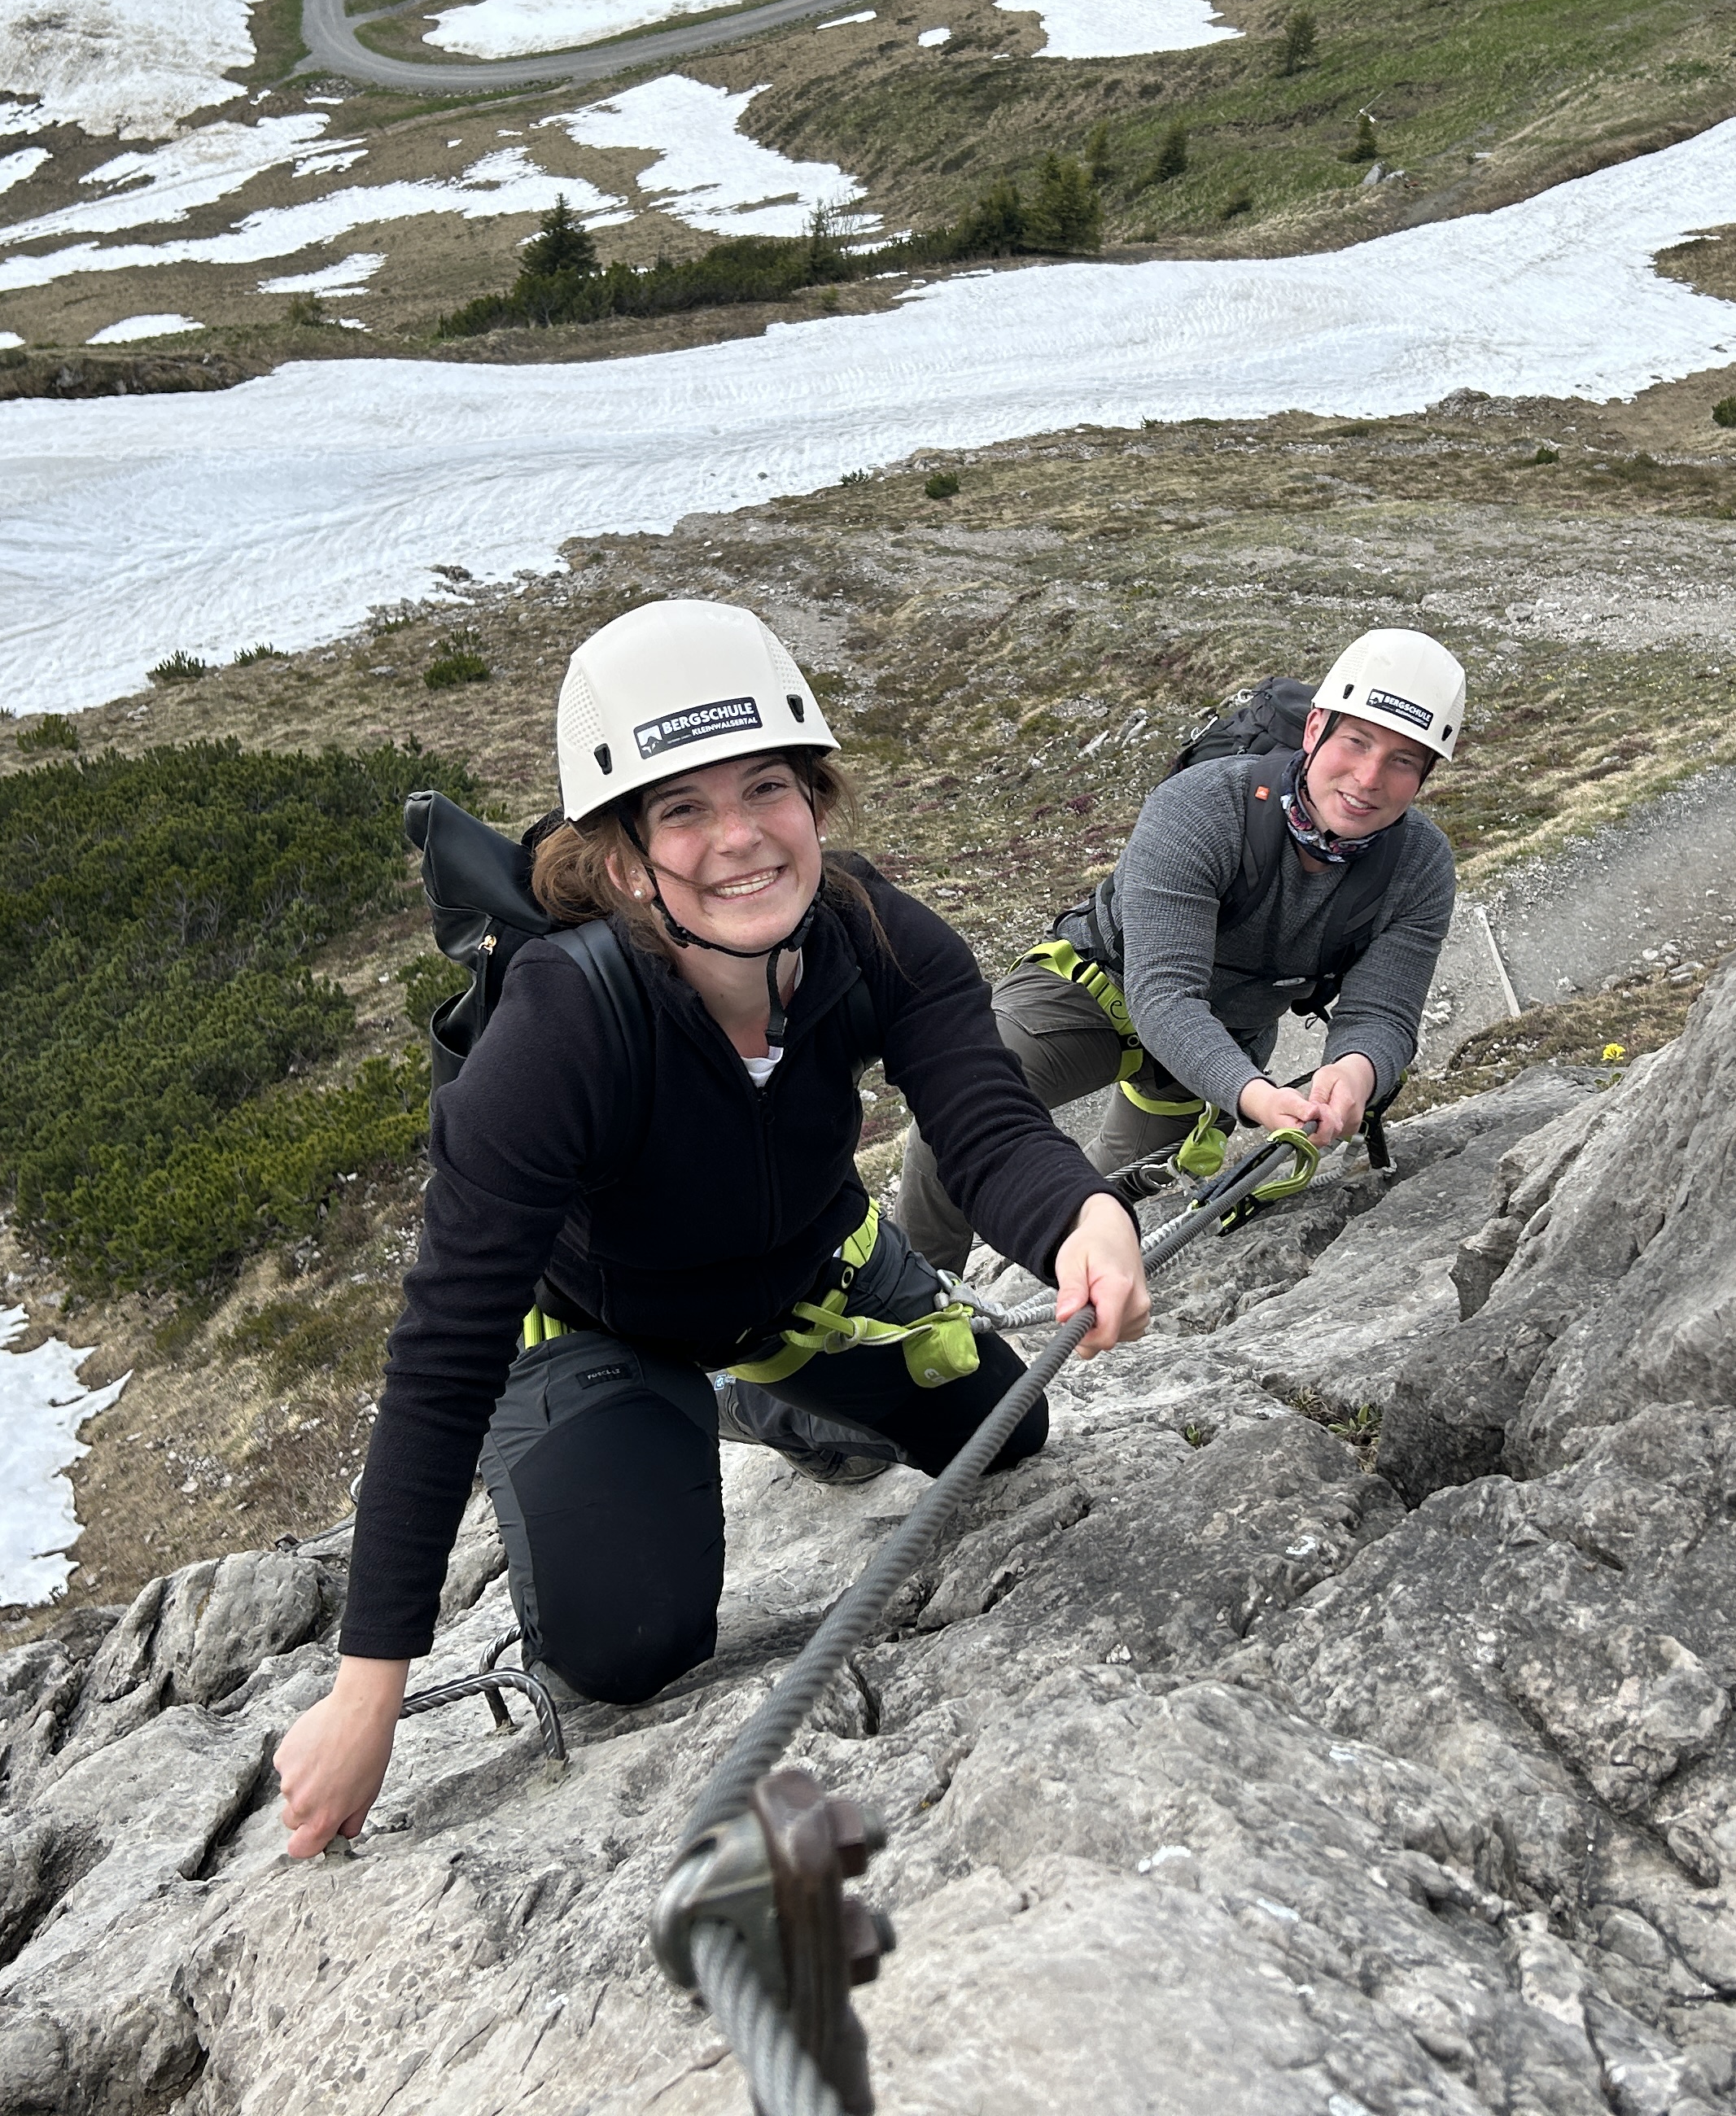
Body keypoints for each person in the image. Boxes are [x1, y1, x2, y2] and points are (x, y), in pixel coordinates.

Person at [275, 599, 1150, 1860]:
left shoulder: (868, 933)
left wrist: (1082, 1214)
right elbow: (444, 1348)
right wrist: (373, 1691)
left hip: (808, 1276)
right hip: (599, 1324)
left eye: (771, 788)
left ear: (818, 802)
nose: (740, 838)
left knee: (1012, 1432)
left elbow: (983, 1115)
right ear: (625, 856)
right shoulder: (560, 1028)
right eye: (682, 808)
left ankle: (772, 1391)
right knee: (628, 1645)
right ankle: (689, 1397)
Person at [894, 629, 1465, 1274]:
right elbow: (1164, 992)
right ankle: (915, 1305)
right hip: (1094, 991)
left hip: (1218, 1045)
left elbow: (1383, 1014)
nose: (1368, 778)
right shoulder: (1204, 806)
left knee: (1113, 1213)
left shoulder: (1419, 865)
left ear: (1424, 776)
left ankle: (1033, 1307)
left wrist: (1357, 1071)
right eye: (1355, 742)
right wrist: (1251, 1094)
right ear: (1314, 733)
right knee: (959, 1110)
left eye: (1403, 761)